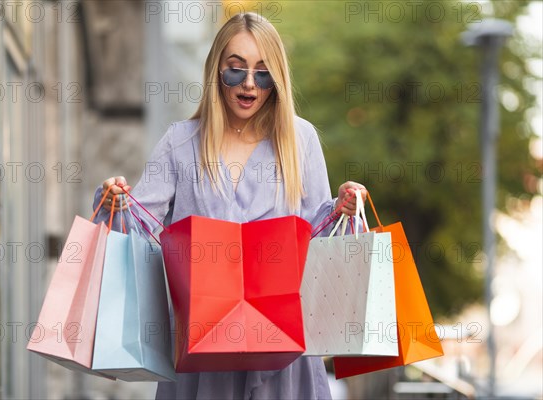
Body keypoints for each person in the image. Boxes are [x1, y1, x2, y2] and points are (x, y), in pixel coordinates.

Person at [93, 12, 367, 400]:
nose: (250, 84)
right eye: (236, 70)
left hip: (283, 356)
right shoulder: (181, 142)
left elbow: (316, 239)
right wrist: (114, 201)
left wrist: (341, 209)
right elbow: (137, 223)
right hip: (204, 353)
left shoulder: (300, 140)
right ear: (216, 70)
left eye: (263, 72)